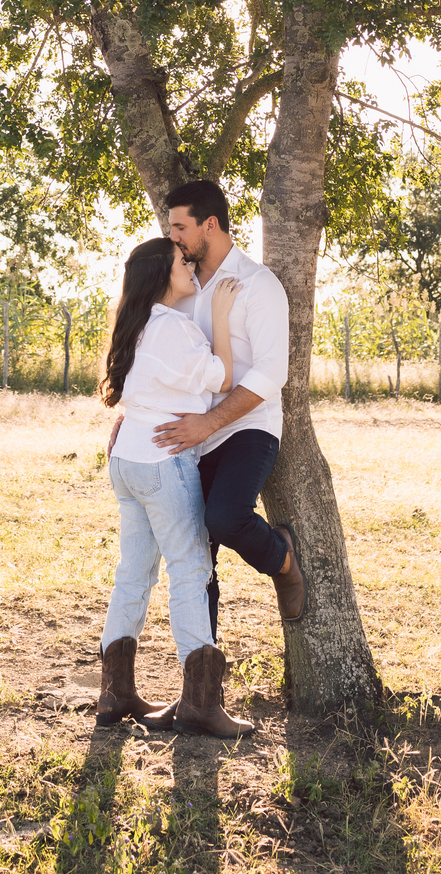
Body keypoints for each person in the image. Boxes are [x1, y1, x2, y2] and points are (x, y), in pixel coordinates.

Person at [97, 236, 255, 738]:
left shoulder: (135, 325)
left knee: (134, 574)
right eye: (180, 261)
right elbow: (223, 378)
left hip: (128, 462)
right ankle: (201, 703)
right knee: (190, 569)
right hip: (166, 463)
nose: (189, 265)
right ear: (162, 275)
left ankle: (115, 692)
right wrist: (224, 316)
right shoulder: (175, 328)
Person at [151, 180, 306, 634]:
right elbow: (162, 359)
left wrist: (211, 422)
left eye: (180, 226)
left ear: (210, 224)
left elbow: (271, 372)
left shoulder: (258, 284)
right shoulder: (179, 284)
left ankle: (281, 559)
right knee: (194, 558)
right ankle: (203, 689)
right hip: (188, 434)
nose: (173, 237)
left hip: (245, 427)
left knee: (225, 517)